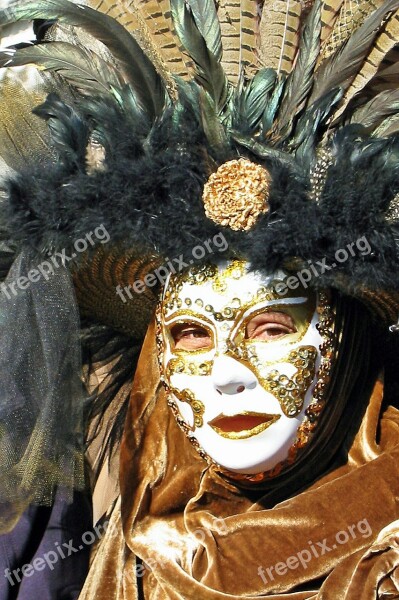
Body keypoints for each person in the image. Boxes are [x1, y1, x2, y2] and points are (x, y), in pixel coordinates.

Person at [1, 0, 399, 598]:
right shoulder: (140, 550)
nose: (227, 377)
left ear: (348, 340)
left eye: (270, 328)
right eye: (191, 335)